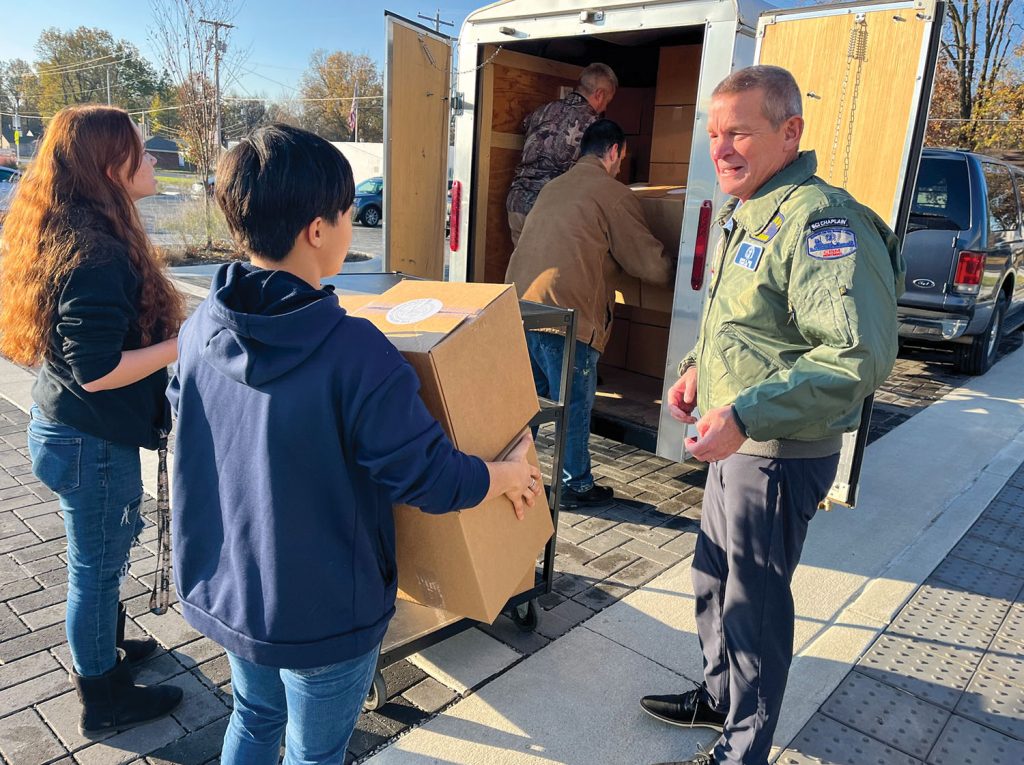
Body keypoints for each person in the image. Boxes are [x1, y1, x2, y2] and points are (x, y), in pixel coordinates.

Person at [168, 124, 543, 765]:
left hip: (232, 586)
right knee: (315, 753)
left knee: (255, 717)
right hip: (325, 608)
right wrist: (505, 476)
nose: (350, 228)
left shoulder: (202, 324)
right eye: (346, 214)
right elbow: (425, 476)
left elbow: (185, 416)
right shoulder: (354, 353)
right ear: (318, 229)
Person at [639, 66, 904, 765]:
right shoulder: (755, 209)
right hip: (737, 442)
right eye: (714, 134)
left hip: (778, 449)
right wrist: (698, 369)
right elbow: (746, 322)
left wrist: (749, 411)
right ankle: (720, 697)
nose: (720, 149)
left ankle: (744, 747)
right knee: (712, 579)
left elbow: (855, 354)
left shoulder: (820, 220)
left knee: (753, 606)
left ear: (790, 133)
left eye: (740, 133)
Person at [0, 105, 185, 735]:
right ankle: (103, 699)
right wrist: (186, 345)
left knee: (97, 562)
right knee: (96, 570)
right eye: (143, 148)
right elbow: (97, 371)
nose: (154, 157)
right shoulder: (95, 250)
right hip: (89, 441)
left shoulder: (74, 227)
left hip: (70, 432)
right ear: (111, 164)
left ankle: (105, 652)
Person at [506, 119, 676, 509]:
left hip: (520, 306)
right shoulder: (611, 193)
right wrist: (686, 275)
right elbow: (647, 262)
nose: (620, 167)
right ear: (614, 151)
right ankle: (575, 485)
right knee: (574, 402)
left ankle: (506, 468)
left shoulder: (554, 187)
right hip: (565, 314)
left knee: (527, 402)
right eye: (621, 159)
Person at [506, 62, 618, 246]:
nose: (604, 108)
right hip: (550, 209)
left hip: (517, 203)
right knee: (549, 272)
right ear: (599, 94)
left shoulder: (543, 110)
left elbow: (525, 126)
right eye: (606, 102)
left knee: (524, 269)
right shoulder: (594, 125)